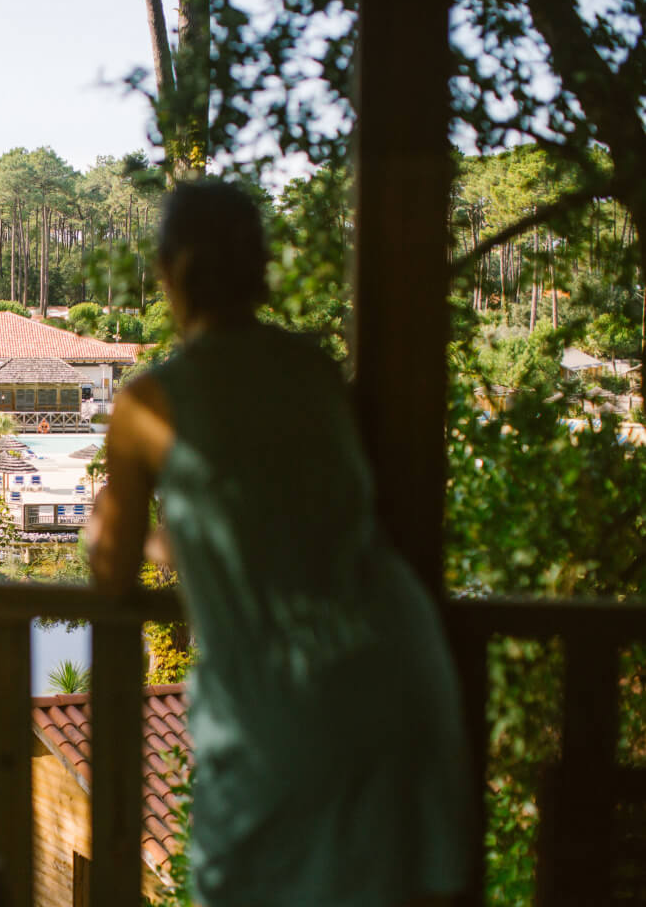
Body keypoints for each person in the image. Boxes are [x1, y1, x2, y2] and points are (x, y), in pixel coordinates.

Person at [85, 180, 473, 907]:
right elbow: (283, 523)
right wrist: (177, 545)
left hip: (285, 707)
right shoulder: (313, 370)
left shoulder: (150, 402)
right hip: (403, 668)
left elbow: (110, 574)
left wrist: (103, 525)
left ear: (171, 271)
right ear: (259, 268)